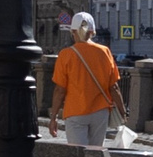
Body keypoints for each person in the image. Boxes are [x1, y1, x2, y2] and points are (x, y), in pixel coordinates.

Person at [46, 12, 125, 148]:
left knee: (79, 155)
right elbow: (114, 87)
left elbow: (60, 90)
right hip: (100, 112)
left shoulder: (66, 55)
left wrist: (53, 117)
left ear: (73, 31)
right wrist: (122, 111)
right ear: (92, 31)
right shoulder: (104, 51)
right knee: (95, 154)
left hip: (75, 111)